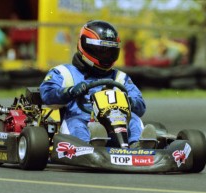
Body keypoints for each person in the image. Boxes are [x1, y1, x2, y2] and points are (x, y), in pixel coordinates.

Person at [40, 20, 155, 148]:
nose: (106, 56)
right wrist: (70, 91)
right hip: (82, 120)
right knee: (76, 123)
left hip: (117, 123)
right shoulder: (63, 72)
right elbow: (47, 95)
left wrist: (128, 102)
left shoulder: (119, 77)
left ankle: (138, 146)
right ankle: (89, 147)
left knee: (133, 118)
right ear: (85, 46)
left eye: (110, 51)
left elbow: (140, 105)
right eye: (102, 50)